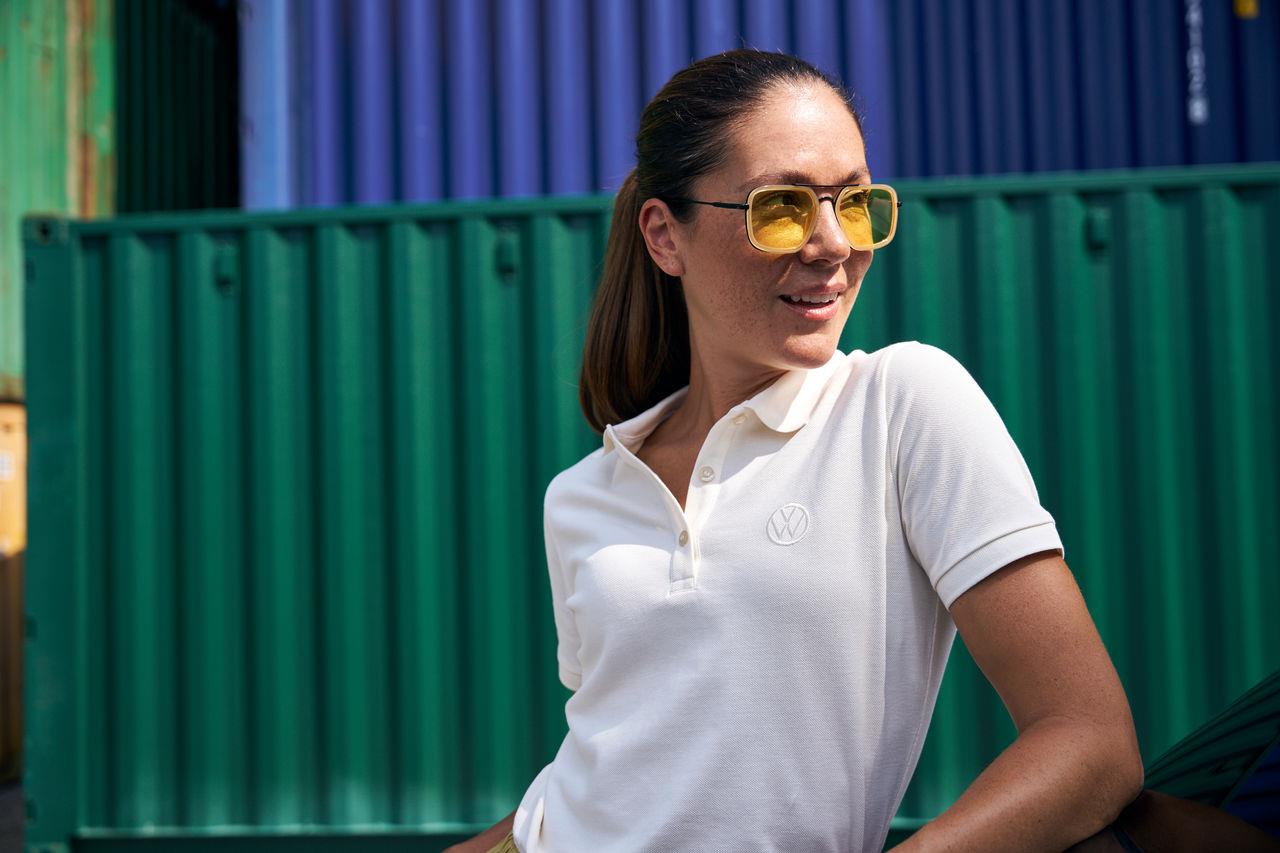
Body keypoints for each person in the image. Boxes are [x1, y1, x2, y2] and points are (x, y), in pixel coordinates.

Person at [448, 48, 1144, 853]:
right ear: (664, 236)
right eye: (780, 207)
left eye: (855, 202)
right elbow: (628, 755)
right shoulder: (582, 492)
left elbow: (1088, 740)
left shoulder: (903, 404)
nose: (832, 244)